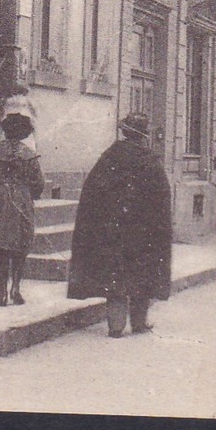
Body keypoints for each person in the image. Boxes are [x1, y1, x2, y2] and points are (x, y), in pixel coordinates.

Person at [68, 113, 173, 337]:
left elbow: (93, 193)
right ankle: (139, 323)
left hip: (113, 229)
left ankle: (115, 326)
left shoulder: (109, 158)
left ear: (125, 132)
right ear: (143, 136)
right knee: (142, 277)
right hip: (143, 231)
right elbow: (161, 197)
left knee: (115, 277)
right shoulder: (150, 160)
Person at [0, 104, 42, 307]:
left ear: (5, 131)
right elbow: (38, 183)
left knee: (1, 246)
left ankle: (2, 292)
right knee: (20, 245)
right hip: (21, 198)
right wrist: (30, 195)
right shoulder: (29, 155)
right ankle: (16, 289)